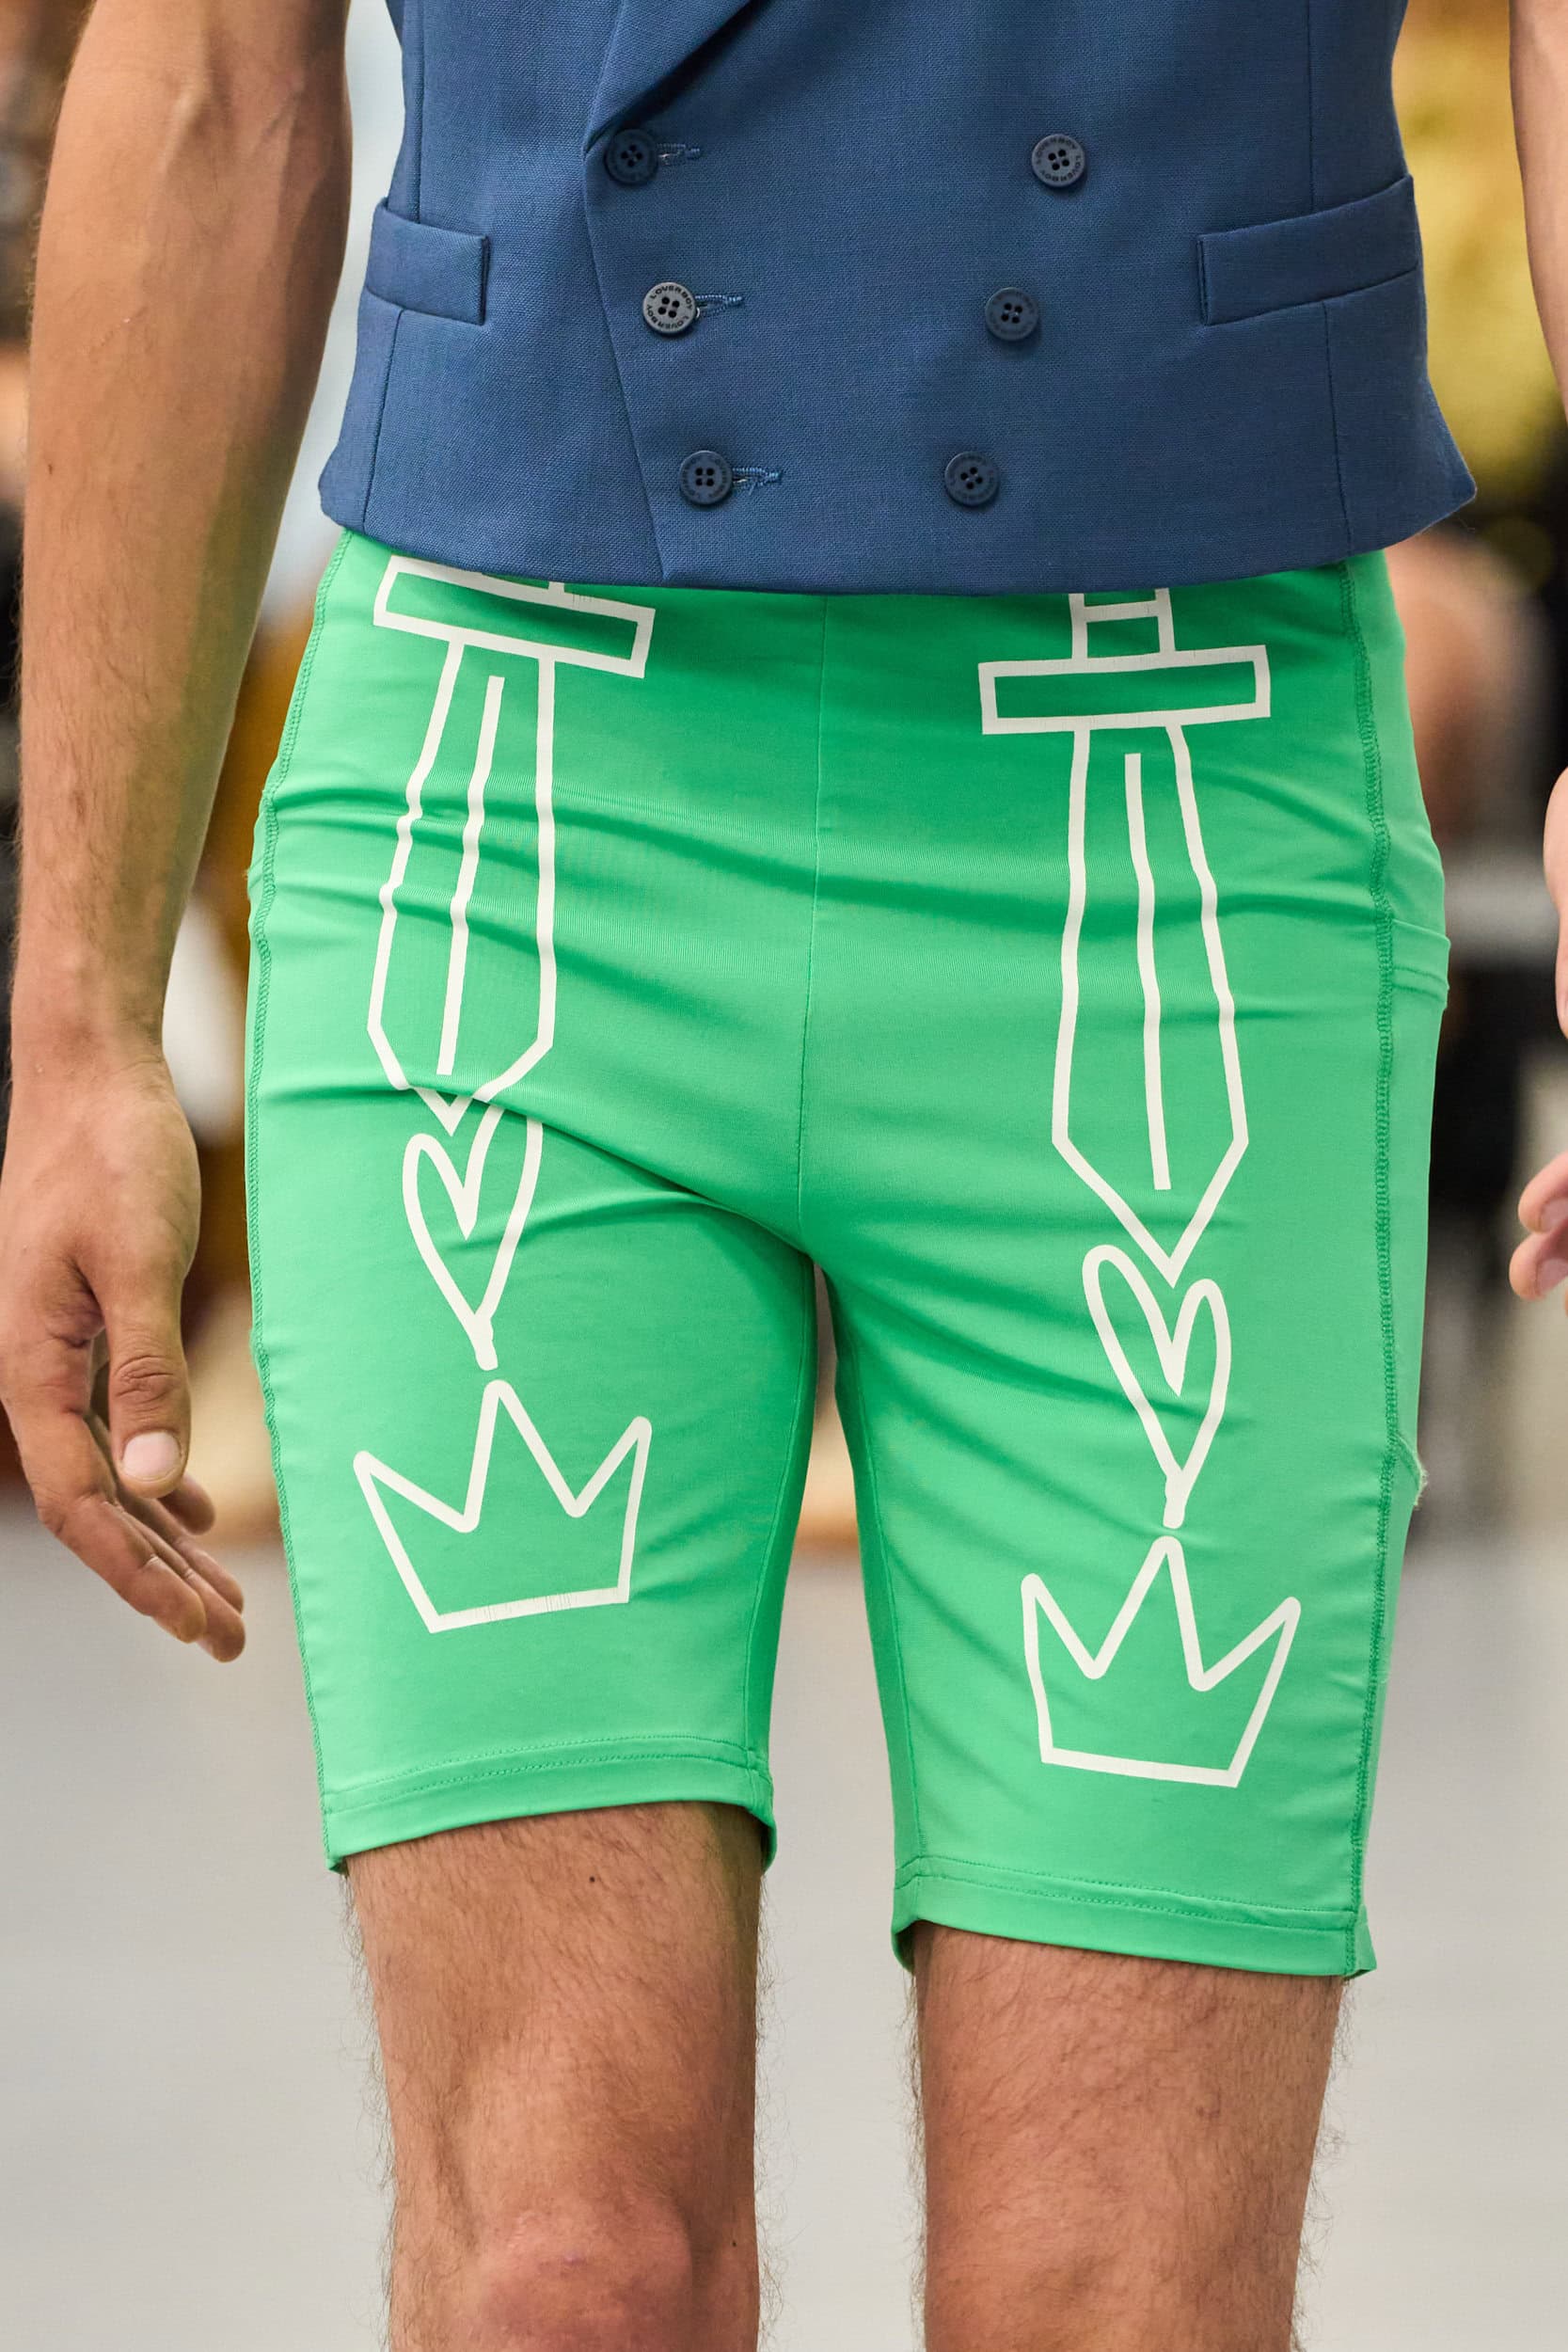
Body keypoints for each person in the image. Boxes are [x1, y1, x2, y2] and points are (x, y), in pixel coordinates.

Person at [3, 6, 1567, 2348]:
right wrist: (79, 1018)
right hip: (518, 806)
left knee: (1116, 2297)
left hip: (1172, 826)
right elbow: (215, 73)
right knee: (559, 2277)